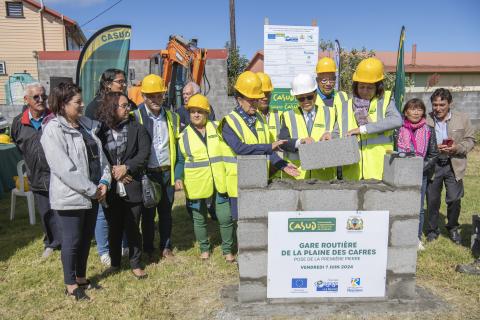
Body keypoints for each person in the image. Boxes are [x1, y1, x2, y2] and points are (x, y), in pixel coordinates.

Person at [40, 83, 110, 300]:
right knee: (72, 240)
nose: (82, 105)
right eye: (77, 102)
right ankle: (70, 284)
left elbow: (101, 156)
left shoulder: (87, 126)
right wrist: (92, 190)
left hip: (93, 194)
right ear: (63, 104)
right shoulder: (53, 130)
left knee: (85, 237)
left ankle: (80, 277)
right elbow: (64, 169)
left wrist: (105, 180)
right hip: (72, 196)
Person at [220, 71, 299, 220]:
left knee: (259, 223)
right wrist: (269, 147)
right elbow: (240, 149)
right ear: (239, 99)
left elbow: (267, 150)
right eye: (252, 100)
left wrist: (282, 164)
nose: (256, 104)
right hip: (239, 184)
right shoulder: (229, 122)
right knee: (243, 225)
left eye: (257, 99)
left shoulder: (260, 119)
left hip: (260, 180)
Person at [174, 94, 235, 262]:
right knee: (199, 218)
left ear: (207, 112)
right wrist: (178, 177)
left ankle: (227, 249)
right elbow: (180, 160)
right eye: (192, 111)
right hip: (196, 182)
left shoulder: (219, 128)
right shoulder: (183, 135)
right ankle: (204, 249)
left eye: (200, 111)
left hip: (219, 180)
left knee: (225, 217)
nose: (196, 115)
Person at [96, 91, 151, 278]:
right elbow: (97, 156)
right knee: (114, 227)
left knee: (133, 226)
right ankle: (115, 263)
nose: (128, 108)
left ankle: (136, 263)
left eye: (128, 105)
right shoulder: (101, 131)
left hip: (132, 185)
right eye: (124, 105)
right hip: (111, 187)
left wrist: (127, 168)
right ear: (112, 108)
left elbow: (144, 155)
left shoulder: (138, 129)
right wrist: (113, 171)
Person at [85, 68, 132, 266]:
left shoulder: (126, 102)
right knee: (104, 209)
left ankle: (122, 244)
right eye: (120, 81)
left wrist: (124, 167)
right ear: (107, 84)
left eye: (124, 81)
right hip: (103, 166)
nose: (123, 84)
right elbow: (93, 140)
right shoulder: (93, 107)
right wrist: (110, 169)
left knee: (121, 207)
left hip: (123, 166)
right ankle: (104, 250)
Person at [11, 83, 61, 258]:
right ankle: (51, 243)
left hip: (58, 174)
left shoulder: (55, 118)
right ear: (26, 100)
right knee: (45, 211)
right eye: (36, 97)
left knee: (62, 210)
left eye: (43, 96)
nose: (41, 100)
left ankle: (67, 240)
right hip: (37, 175)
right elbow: (19, 145)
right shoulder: (18, 123)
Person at [134, 74, 179, 259]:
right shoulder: (135, 117)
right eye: (151, 96)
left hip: (167, 173)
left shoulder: (172, 117)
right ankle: (149, 248)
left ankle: (166, 246)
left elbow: (177, 148)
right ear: (143, 96)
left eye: (159, 95)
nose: (155, 100)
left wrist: (178, 175)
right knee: (148, 214)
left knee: (166, 213)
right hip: (147, 174)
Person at [336, 57, 402, 180]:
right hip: (352, 172)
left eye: (370, 87)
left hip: (379, 172)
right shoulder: (344, 106)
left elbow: (396, 120)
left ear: (378, 87)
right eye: (361, 87)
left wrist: (362, 129)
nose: (365, 91)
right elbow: (336, 132)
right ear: (356, 87)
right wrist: (329, 135)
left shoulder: (386, 101)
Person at [425, 88, 475, 244]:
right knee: (432, 200)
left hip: (454, 164)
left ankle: (452, 228)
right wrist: (433, 148)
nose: (438, 108)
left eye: (442, 104)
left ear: (450, 104)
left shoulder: (462, 118)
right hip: (433, 165)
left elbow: (470, 140)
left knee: (454, 199)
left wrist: (457, 147)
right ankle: (432, 230)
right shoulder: (425, 120)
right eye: (435, 105)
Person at [396, 98, 439, 250]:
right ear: (406, 112)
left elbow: (433, 154)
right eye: (412, 109)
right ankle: (399, 235)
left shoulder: (429, 130)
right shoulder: (398, 129)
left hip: (420, 173)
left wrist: (418, 168)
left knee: (418, 207)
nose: (416, 112)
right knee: (400, 205)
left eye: (419, 109)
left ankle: (416, 237)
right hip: (400, 173)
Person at [278, 73, 337, 180]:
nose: (306, 101)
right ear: (296, 97)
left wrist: (332, 135)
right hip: (297, 177)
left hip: (323, 178)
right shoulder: (288, 116)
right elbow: (282, 142)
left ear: (315, 94)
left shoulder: (331, 113)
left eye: (309, 97)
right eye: (301, 99)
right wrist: (301, 142)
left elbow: (340, 135)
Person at [256, 72, 282, 141]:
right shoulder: (249, 117)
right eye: (261, 94)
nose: (265, 98)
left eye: (267, 94)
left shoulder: (280, 115)